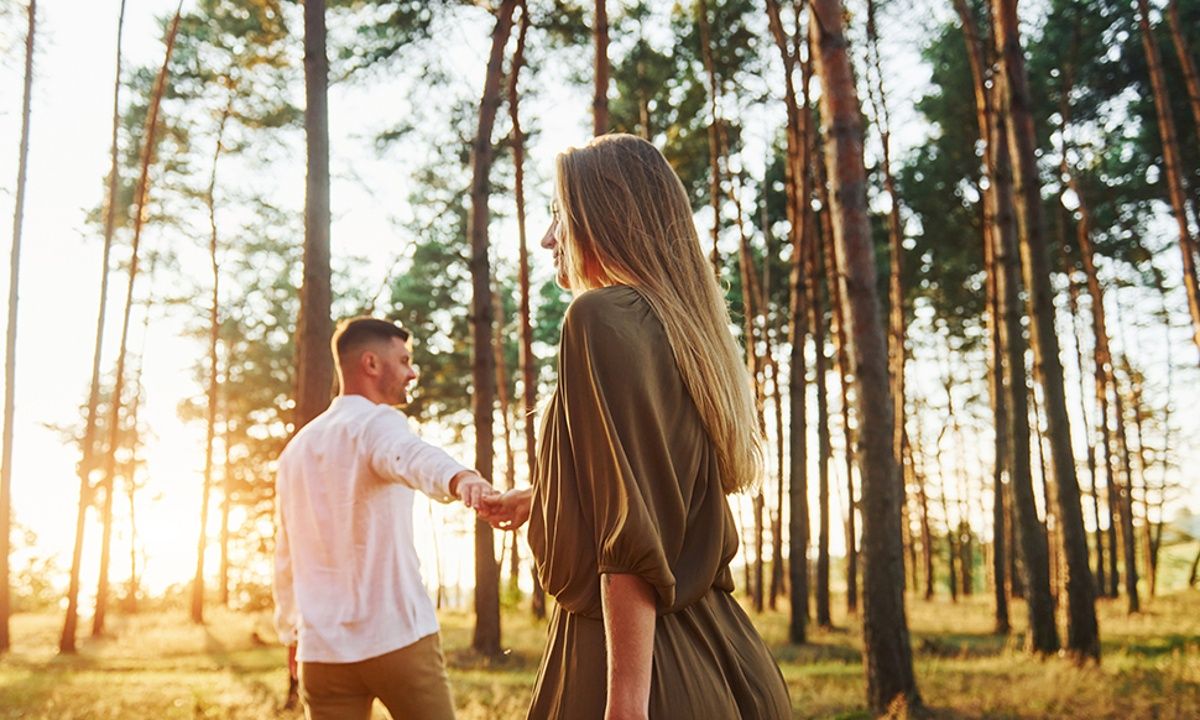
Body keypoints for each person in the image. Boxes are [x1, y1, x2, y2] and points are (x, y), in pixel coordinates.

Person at [481, 134, 791, 720]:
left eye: (559, 216)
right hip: (726, 657)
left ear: (606, 219)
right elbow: (657, 482)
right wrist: (548, 498)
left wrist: (625, 705)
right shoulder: (682, 328)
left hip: (640, 672)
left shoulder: (599, 317)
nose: (548, 238)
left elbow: (632, 538)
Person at [273, 316, 496, 720]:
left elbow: (284, 555)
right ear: (371, 364)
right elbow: (409, 456)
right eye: (405, 360)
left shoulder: (295, 451)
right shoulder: (376, 423)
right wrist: (460, 477)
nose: (413, 372)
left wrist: (291, 632)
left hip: (321, 654)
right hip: (397, 640)